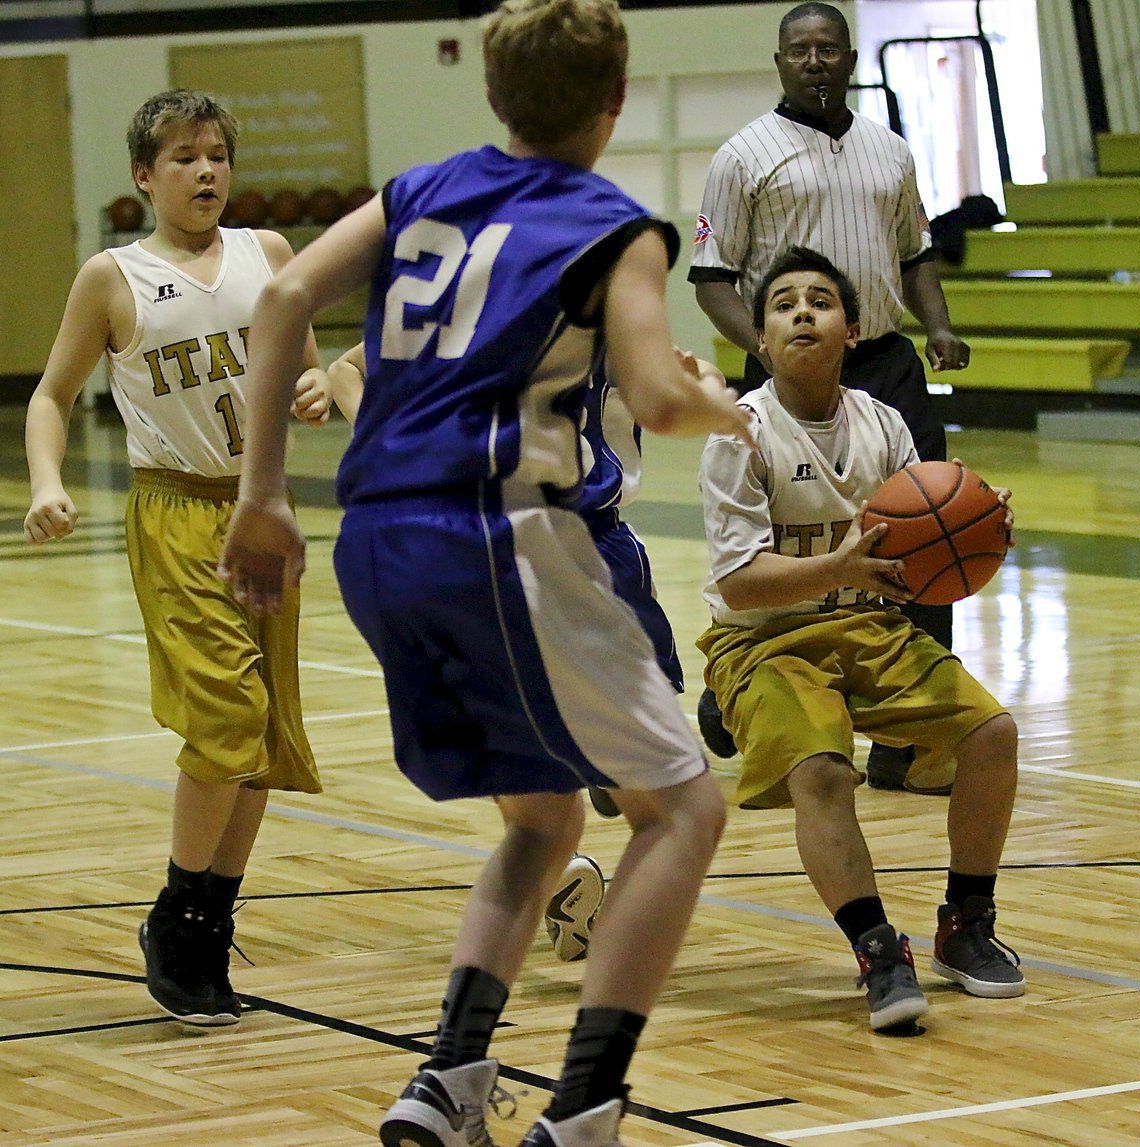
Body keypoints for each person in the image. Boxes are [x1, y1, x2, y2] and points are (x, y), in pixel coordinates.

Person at [218, 1, 750, 1143]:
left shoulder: (417, 190)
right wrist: (720, 408)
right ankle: (590, 1101)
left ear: (496, 99)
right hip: (501, 533)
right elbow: (658, 398)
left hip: (375, 541)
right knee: (685, 808)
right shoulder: (619, 225)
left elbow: (278, 299)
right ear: (613, 104)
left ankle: (450, 1078)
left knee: (544, 817)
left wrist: (264, 497)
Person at [23, 89, 332, 1027]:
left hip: (262, 507)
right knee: (228, 717)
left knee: (265, 738)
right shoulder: (110, 277)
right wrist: (47, 481)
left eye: (217, 155)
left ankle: (208, 918)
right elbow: (50, 395)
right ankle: (173, 911)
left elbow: (312, 367)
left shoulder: (267, 255)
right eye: (185, 157)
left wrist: (322, 387)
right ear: (144, 177)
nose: (205, 171)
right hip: (175, 510)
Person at [696, 245, 1024, 1034]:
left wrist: (977, 518)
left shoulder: (885, 423)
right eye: (782, 304)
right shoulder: (738, 434)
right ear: (762, 341)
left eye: (820, 300)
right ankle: (878, 947)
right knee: (822, 770)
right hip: (765, 642)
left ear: (852, 330)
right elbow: (739, 582)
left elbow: (925, 541)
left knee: (993, 735)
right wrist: (837, 565)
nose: (802, 311)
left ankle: (966, 923)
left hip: (872, 627)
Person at [688, 0, 970, 792]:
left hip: (883, 362)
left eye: (827, 49)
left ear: (850, 60)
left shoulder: (890, 152)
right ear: (779, 61)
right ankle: (742, 683)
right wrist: (769, 347)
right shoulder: (744, 155)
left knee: (929, 527)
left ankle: (911, 737)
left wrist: (940, 325)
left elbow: (915, 255)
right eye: (798, 50)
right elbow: (712, 277)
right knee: (784, 539)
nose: (813, 61)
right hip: (786, 367)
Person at [328, 342, 670, 963]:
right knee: (517, 774)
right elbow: (348, 370)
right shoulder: (466, 298)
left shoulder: (609, 301)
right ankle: (561, 884)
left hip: (593, 551)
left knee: (657, 792)